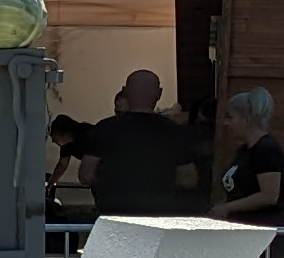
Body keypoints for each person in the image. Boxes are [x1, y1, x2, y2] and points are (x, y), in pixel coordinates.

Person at [75, 70, 204, 217]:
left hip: (114, 214)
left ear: (125, 92)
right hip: (159, 215)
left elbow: (86, 176)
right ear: (159, 93)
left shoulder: (104, 129)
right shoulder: (176, 132)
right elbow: (188, 179)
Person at [214, 87, 284, 225]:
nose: (226, 123)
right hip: (244, 226)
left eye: (230, 117)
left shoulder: (266, 149)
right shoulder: (245, 151)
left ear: (247, 120)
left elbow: (269, 196)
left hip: (262, 227)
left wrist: (227, 207)